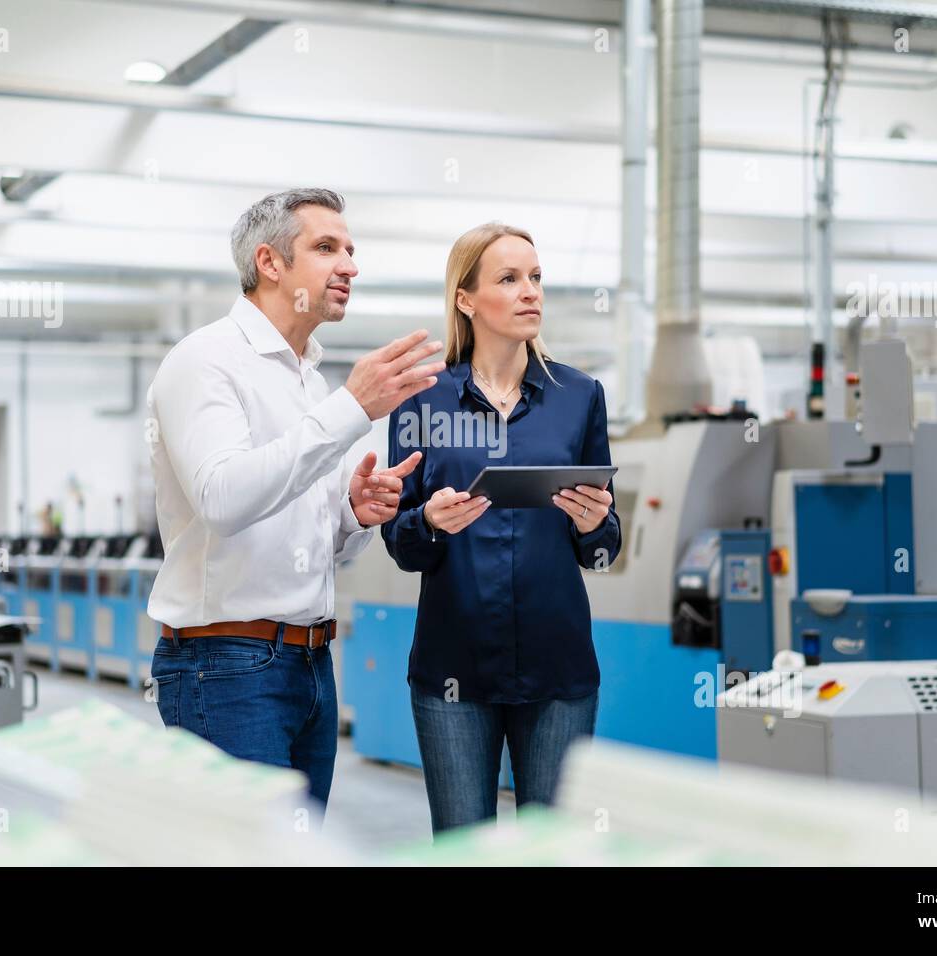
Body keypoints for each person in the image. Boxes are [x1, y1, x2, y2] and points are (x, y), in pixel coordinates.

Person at [146, 187, 443, 808]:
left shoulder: (311, 379)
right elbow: (224, 499)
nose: (350, 266)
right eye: (326, 247)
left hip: (309, 664)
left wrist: (352, 515)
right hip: (225, 666)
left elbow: (302, 532)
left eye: (352, 251)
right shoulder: (205, 361)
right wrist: (351, 408)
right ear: (270, 263)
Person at [381, 222, 621, 833]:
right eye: (509, 279)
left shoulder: (579, 395)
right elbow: (401, 544)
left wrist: (596, 526)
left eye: (536, 278)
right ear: (466, 298)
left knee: (555, 849)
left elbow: (602, 548)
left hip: (557, 669)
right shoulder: (422, 400)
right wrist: (429, 523)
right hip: (454, 667)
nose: (530, 292)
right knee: (464, 846)